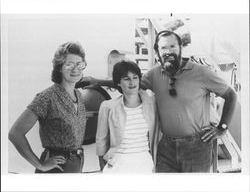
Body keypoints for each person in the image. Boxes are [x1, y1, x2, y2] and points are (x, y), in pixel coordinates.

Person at [77, 30, 237, 173]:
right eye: (163, 48)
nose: (168, 52)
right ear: (157, 52)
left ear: (180, 47)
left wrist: (222, 127)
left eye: (172, 46)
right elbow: (130, 83)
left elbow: (230, 95)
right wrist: (98, 82)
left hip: (196, 147)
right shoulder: (154, 74)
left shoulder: (201, 72)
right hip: (165, 147)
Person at [9, 41, 88, 173]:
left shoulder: (78, 95)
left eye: (79, 64)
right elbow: (15, 133)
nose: (75, 69)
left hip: (77, 164)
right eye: (69, 64)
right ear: (59, 67)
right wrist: (41, 165)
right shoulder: (47, 97)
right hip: (56, 167)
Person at [96, 60, 160, 173]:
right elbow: (101, 141)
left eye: (135, 77)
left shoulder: (152, 104)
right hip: (117, 163)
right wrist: (103, 167)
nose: (132, 82)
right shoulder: (108, 107)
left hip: (145, 162)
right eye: (126, 79)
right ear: (118, 83)